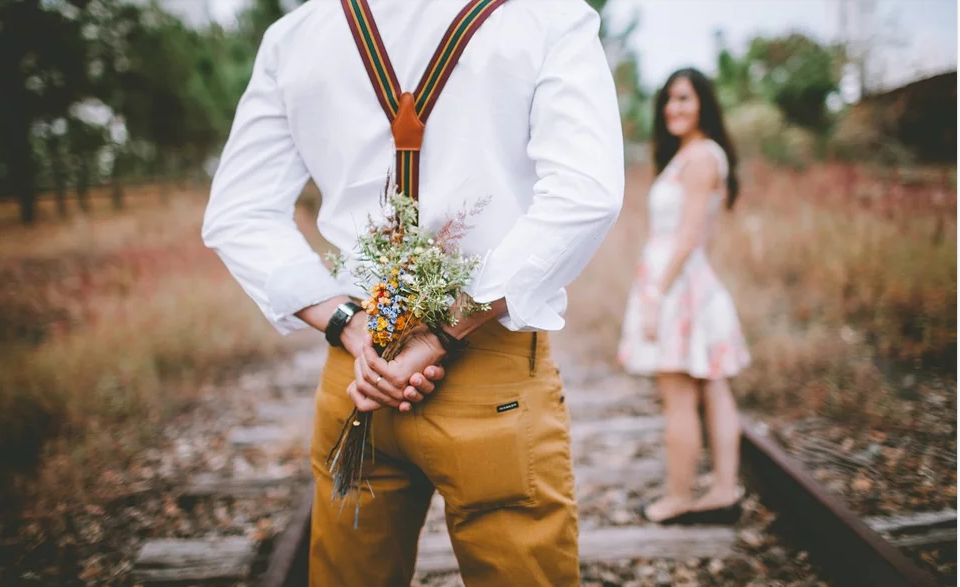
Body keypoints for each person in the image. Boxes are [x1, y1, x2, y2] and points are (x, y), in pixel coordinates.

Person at [202, 0, 624, 585]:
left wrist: (348, 322)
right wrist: (443, 328)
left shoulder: (295, 36)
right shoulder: (546, 15)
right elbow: (585, 195)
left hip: (358, 374)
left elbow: (238, 213)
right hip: (489, 371)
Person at [618, 68, 751, 525]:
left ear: (703, 104)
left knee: (678, 395)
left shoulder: (699, 158)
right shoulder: (696, 155)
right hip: (688, 281)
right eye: (668, 100)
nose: (673, 108)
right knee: (713, 387)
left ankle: (679, 497)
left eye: (683, 98)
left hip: (676, 286)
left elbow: (690, 234)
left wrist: (656, 293)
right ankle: (722, 490)